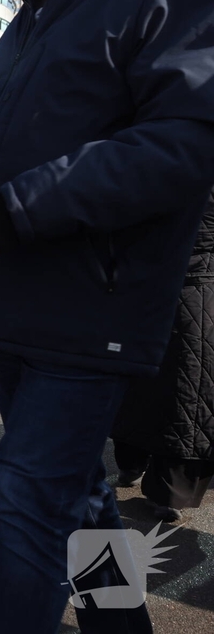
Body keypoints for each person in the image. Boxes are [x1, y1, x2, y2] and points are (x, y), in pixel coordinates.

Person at [0, 0, 214, 632]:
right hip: (20, 296)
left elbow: (185, 143)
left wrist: (21, 209)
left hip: (90, 302)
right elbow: (4, 153)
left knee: (30, 502)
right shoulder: (34, 11)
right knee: (77, 499)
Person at [111, 190, 214, 523]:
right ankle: (168, 492)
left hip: (142, 290)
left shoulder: (151, 154)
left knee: (139, 386)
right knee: (188, 392)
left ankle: (131, 464)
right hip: (197, 291)